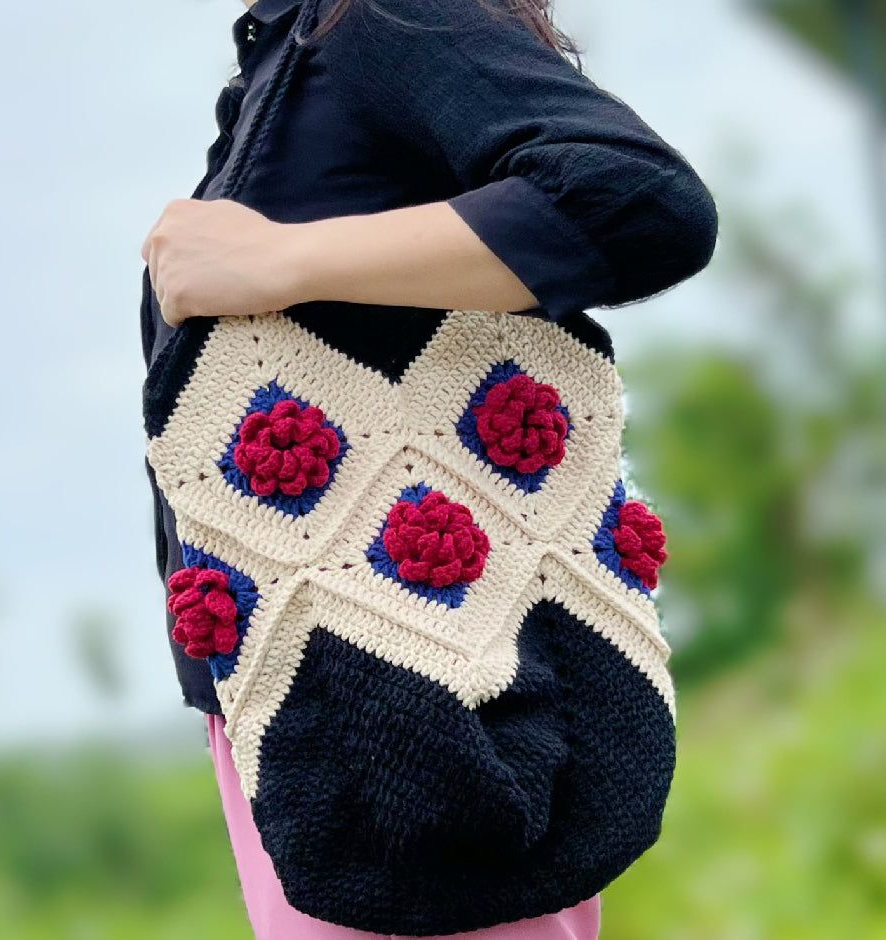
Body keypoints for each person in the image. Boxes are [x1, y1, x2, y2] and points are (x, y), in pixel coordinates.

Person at [139, 0, 719, 936]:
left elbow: (637, 197)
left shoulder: (378, 16)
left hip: (424, 699)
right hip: (305, 698)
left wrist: (285, 258)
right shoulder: (287, 59)